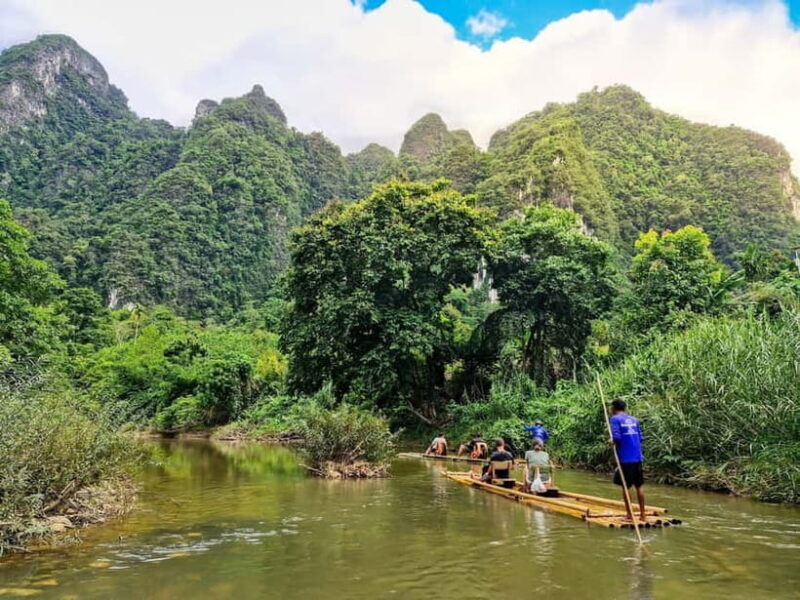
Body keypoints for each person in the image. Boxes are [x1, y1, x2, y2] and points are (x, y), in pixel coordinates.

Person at [608, 398, 646, 522]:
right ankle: (643, 515)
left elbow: (617, 437)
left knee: (626, 486)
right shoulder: (634, 420)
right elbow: (640, 438)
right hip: (637, 457)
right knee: (639, 486)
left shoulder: (615, 419)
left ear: (614, 408)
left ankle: (629, 515)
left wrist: (612, 442)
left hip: (625, 458)